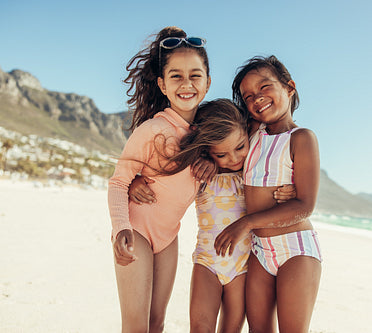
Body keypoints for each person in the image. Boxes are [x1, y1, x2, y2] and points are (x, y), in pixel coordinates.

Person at [129, 99, 296, 332]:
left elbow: (277, 186)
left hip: (243, 266)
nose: (234, 159)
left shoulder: (252, 174)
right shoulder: (199, 172)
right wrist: (135, 180)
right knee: (200, 327)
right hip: (206, 262)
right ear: (208, 150)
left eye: (240, 147)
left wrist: (292, 189)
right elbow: (163, 181)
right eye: (222, 154)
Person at [107, 26, 210, 332]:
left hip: (168, 236)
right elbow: (118, 182)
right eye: (176, 76)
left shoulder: (208, 134)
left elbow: (233, 156)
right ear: (163, 85)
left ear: (207, 82)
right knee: (136, 324)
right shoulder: (152, 130)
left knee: (157, 322)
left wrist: (212, 165)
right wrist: (120, 228)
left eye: (195, 75)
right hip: (136, 230)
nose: (187, 83)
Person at [214, 55, 322, 333]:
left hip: (296, 248)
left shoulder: (301, 138)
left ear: (289, 87)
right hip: (260, 252)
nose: (257, 98)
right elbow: (220, 143)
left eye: (264, 87)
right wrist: (207, 160)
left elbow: (305, 205)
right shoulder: (252, 134)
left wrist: (246, 222)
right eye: (248, 95)